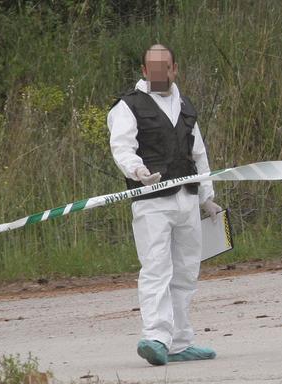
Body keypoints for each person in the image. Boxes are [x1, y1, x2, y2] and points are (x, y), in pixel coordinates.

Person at [107, 44, 220, 365]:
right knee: (157, 268)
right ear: (144, 71)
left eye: (165, 67)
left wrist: (207, 196)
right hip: (151, 202)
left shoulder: (185, 105)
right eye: (152, 68)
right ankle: (156, 336)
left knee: (186, 272)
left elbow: (198, 154)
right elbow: (122, 147)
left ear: (174, 69)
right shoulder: (127, 106)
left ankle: (181, 342)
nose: (159, 73)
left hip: (186, 198)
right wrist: (137, 170)